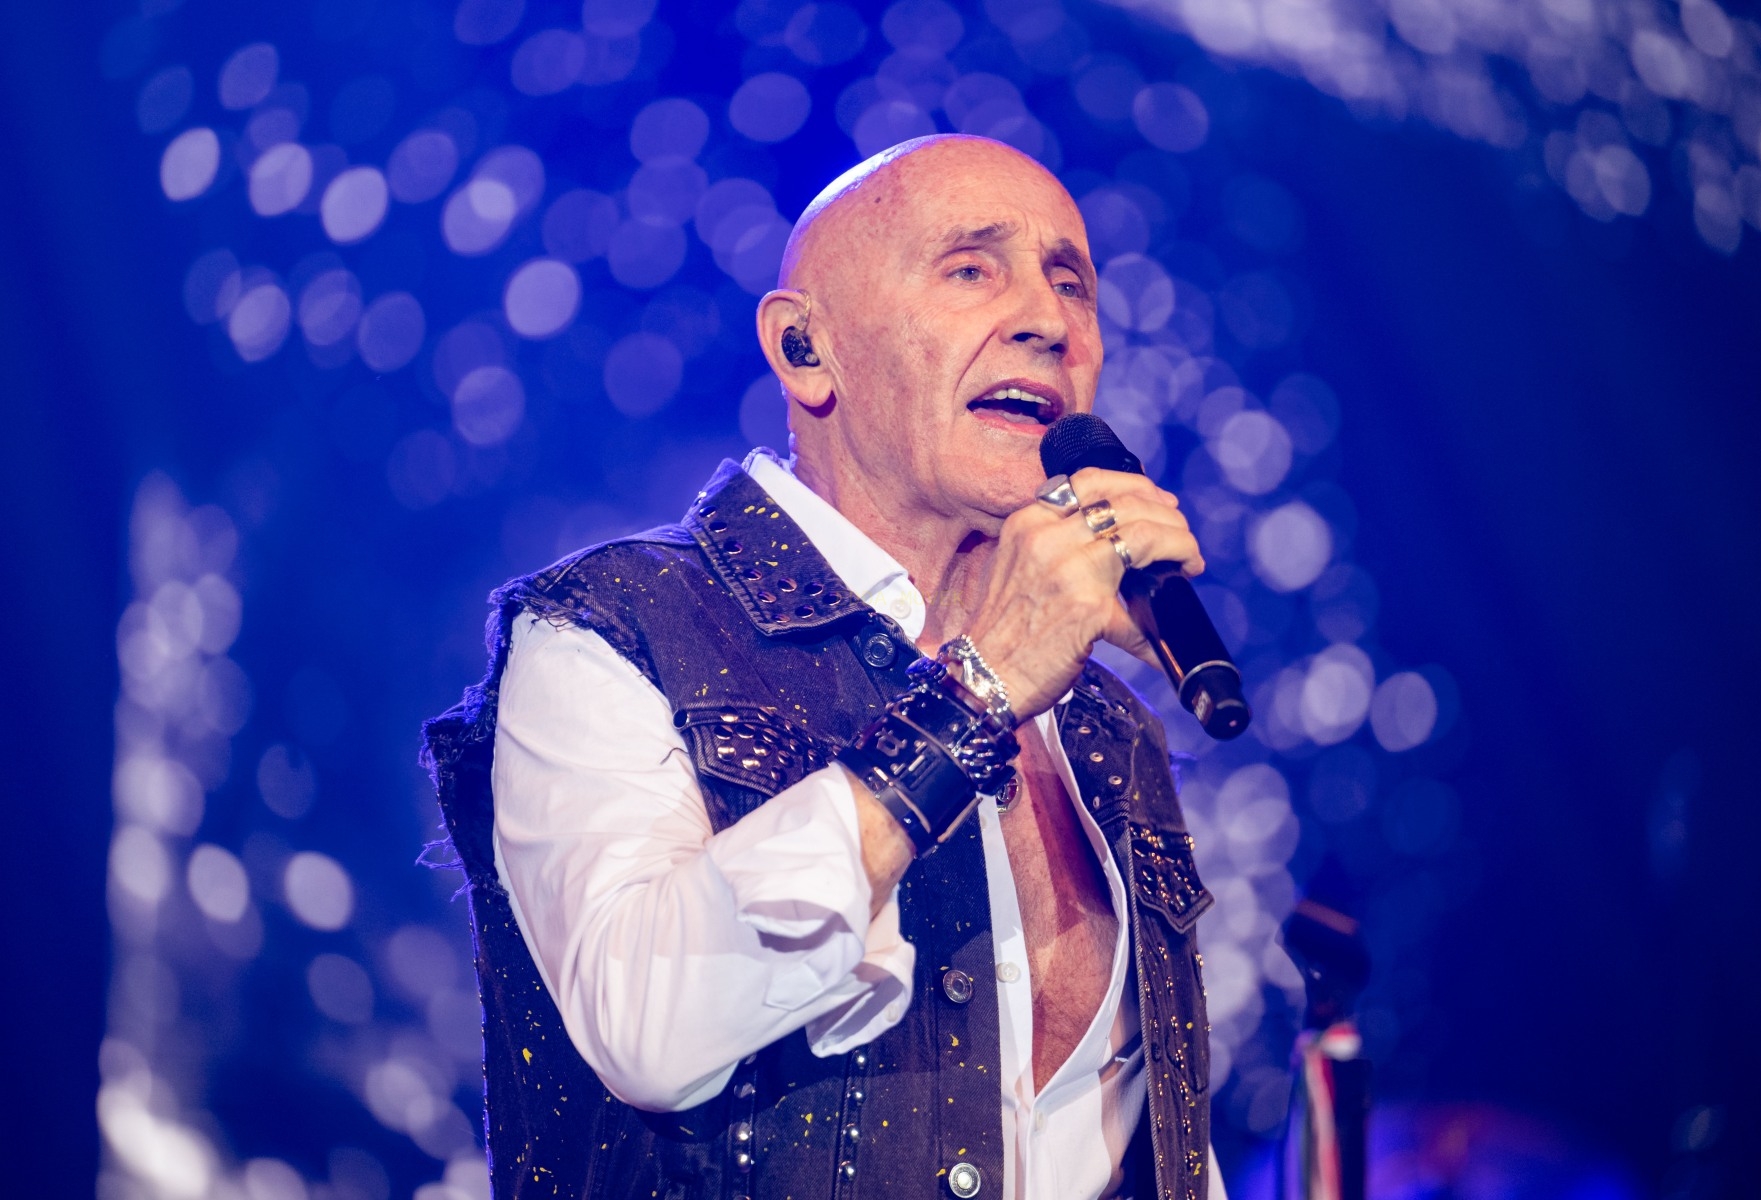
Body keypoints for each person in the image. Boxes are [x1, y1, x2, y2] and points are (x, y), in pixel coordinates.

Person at [424, 133, 1224, 1200]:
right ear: (806, 350)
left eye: (1071, 281)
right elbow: (646, 1026)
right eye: (971, 269)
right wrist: (978, 692)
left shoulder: (1104, 727)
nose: (1048, 319)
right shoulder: (613, 630)